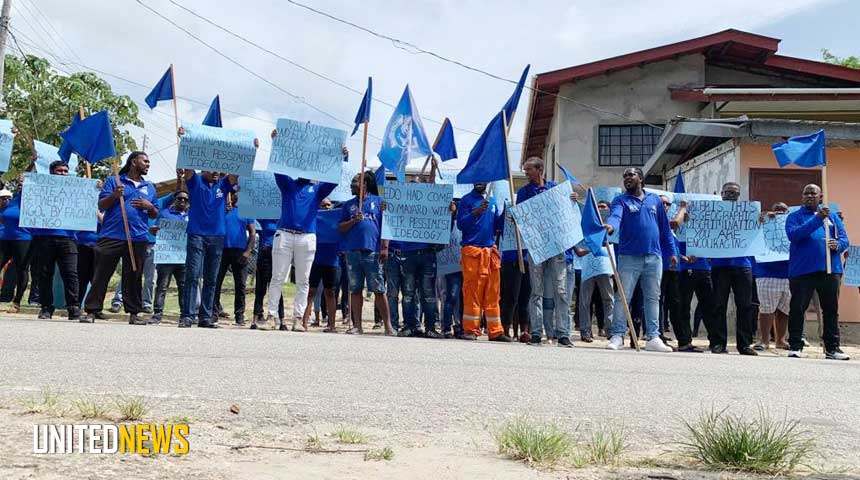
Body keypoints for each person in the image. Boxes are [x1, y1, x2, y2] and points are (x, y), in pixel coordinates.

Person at [258, 137, 340, 331]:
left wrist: (341, 158)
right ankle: (271, 316)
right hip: (284, 235)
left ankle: (298, 319)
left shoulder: (317, 190)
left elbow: (333, 180)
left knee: (303, 280)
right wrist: (276, 143)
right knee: (277, 277)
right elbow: (277, 168)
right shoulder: (288, 185)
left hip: (306, 237)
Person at [603, 167, 676, 352]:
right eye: (625, 176)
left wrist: (672, 252)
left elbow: (665, 229)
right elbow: (615, 216)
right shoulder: (620, 200)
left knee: (653, 297)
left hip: (654, 256)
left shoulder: (655, 200)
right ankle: (618, 335)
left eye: (631, 175)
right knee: (623, 297)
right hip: (629, 257)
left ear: (641, 179)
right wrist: (610, 226)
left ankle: (653, 337)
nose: (627, 178)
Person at [83, 153, 158, 324]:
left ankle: (134, 313)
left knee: (134, 276)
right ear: (134, 162)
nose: (148, 164)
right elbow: (101, 205)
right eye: (145, 161)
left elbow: (155, 213)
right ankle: (92, 311)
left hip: (138, 237)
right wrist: (114, 196)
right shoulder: (114, 181)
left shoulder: (149, 187)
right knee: (101, 274)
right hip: (112, 235)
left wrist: (149, 206)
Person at [786, 184, 849, 360]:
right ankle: (795, 346)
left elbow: (844, 238)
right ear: (802, 197)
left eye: (813, 193)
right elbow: (794, 235)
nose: (809, 196)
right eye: (806, 193)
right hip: (802, 271)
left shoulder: (833, 216)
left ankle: (832, 348)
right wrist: (817, 219)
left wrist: (838, 244)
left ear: (821, 197)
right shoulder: (794, 217)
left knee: (830, 310)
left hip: (830, 269)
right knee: (798, 308)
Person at [518, 157, 576, 347]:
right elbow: (521, 218)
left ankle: (563, 334)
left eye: (529, 169)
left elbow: (568, 211)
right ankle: (536, 333)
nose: (526, 173)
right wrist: (516, 217)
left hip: (557, 247)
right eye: (525, 170)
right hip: (536, 248)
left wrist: (572, 199)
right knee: (536, 292)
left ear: (539, 169)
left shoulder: (556, 189)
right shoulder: (523, 192)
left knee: (561, 291)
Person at [179, 167, 239, 328]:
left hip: (217, 236)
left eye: (218, 169)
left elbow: (236, 171)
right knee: (192, 276)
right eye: (212, 168)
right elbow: (189, 167)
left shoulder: (223, 184)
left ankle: (205, 317)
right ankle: (187, 316)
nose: (216, 172)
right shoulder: (196, 181)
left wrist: (246, 154)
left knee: (211, 278)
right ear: (203, 169)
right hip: (196, 234)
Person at [338, 171, 394, 335]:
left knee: (379, 289)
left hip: (373, 252)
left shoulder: (379, 202)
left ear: (364, 185)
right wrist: (353, 221)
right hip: (353, 252)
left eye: (355, 183)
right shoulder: (348, 205)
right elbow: (341, 228)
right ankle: (358, 326)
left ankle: (388, 326)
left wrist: (385, 247)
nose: (351, 186)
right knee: (355, 289)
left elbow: (386, 225)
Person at [28, 162, 83, 320]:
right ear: (51, 173)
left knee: (71, 274)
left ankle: (73, 307)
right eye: (59, 171)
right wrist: (25, 184)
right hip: (44, 237)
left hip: (68, 238)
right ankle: (46, 307)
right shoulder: (40, 189)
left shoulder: (76, 191)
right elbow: (29, 200)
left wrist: (95, 187)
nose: (63, 173)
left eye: (66, 171)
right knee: (45, 274)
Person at [456, 182, 510, 342]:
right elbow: (460, 224)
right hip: (473, 252)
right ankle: (471, 329)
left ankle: (495, 331)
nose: (479, 182)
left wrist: (506, 214)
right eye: (477, 179)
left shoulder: (492, 201)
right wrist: (476, 212)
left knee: (493, 293)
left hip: (490, 253)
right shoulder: (466, 200)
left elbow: (497, 227)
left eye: (483, 179)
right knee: (472, 292)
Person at [708, 182, 757, 355]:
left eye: (734, 193)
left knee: (745, 306)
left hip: (743, 265)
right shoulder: (712, 214)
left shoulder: (747, 214)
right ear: (721, 194)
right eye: (728, 192)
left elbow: (756, 232)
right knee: (718, 305)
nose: (731, 195)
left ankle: (744, 344)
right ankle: (718, 343)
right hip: (720, 265)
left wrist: (762, 220)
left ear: (739, 196)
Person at [659, 195, 699, 352]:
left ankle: (683, 340)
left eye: (668, 203)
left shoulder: (671, 231)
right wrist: (683, 207)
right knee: (659, 304)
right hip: (660, 268)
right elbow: (675, 223)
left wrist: (684, 258)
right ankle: (658, 337)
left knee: (675, 305)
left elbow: (671, 248)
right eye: (662, 203)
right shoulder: (657, 219)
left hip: (673, 270)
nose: (665, 206)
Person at [753, 203, 791, 350]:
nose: (780, 212)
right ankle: (764, 340)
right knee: (766, 309)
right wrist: (762, 218)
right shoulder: (764, 222)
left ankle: (780, 340)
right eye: (777, 209)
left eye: (783, 210)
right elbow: (753, 230)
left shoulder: (792, 224)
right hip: (767, 273)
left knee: (785, 310)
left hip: (789, 273)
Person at [213, 194, 255, 326]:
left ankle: (239, 316)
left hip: (240, 251)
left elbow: (252, 233)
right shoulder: (223, 210)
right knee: (216, 283)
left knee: (240, 285)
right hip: (222, 250)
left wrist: (248, 251)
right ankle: (213, 314)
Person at [149, 190, 190, 325]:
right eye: (180, 198)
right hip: (166, 257)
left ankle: (184, 315)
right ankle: (157, 314)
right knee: (162, 286)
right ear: (175, 199)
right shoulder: (165, 214)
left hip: (183, 257)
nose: (182, 201)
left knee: (183, 287)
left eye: (185, 199)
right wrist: (154, 230)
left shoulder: (192, 216)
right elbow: (155, 229)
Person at [302, 198, 340, 333]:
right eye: (324, 205)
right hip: (315, 260)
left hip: (332, 260)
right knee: (311, 291)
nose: (327, 207)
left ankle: (332, 325)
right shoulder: (313, 218)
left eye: (329, 204)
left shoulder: (337, 218)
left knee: (330, 292)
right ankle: (304, 322)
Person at [0, 181, 33, 314]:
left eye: (24, 185)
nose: (21, 187)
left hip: (24, 239)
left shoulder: (34, 202)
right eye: (19, 185)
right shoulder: (11, 202)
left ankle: (17, 302)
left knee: (22, 270)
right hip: (5, 238)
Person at [574, 240, 614, 343]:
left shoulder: (605, 230)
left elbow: (612, 239)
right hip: (587, 267)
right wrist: (594, 247)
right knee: (585, 301)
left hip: (604, 265)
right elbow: (578, 251)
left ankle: (610, 331)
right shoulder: (581, 230)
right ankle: (585, 332)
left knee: (608, 299)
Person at [252, 218, 284, 328]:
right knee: (260, 289)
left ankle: (282, 320)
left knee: (277, 288)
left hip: (278, 255)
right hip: (265, 254)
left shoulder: (283, 220)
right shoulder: (265, 219)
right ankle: (255, 319)